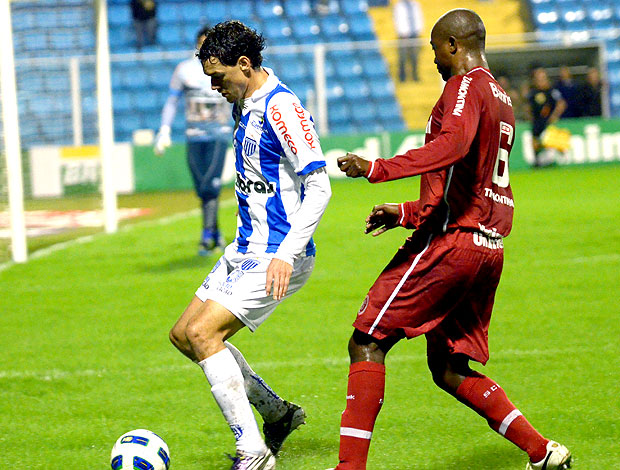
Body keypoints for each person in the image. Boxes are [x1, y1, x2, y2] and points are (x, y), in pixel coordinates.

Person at [332, 9, 571, 470]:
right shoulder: (501, 97)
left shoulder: (464, 86)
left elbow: (453, 147)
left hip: (454, 245)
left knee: (367, 339)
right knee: (447, 369)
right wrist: (405, 212)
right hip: (488, 249)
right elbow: (464, 183)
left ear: (453, 45)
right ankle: (542, 451)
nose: (434, 60)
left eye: (435, 49)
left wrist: (378, 169)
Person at [168, 20, 331, 470]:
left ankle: (254, 453)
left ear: (244, 64)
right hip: (245, 248)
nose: (214, 87)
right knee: (184, 335)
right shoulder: (244, 102)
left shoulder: (283, 108)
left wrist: (285, 253)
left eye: (218, 77)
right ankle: (278, 415)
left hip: (279, 253)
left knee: (205, 334)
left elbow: (319, 187)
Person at [154, 26, 231, 256]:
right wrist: (164, 129)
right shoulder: (184, 70)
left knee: (210, 185)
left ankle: (207, 236)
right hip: (194, 136)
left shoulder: (226, 68)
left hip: (218, 134)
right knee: (202, 188)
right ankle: (215, 234)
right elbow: (172, 101)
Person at [526, 66, 567, 167]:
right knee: (535, 142)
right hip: (536, 122)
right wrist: (530, 117)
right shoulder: (533, 93)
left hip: (547, 123)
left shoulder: (551, 91)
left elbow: (561, 103)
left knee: (547, 142)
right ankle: (537, 162)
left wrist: (554, 115)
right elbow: (528, 107)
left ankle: (549, 162)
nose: (541, 81)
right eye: (538, 79)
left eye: (542, 78)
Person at [393, 0, 424, 82]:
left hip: (414, 34)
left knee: (414, 56)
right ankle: (402, 76)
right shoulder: (398, 5)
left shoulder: (415, 4)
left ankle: (415, 75)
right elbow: (397, 20)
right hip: (403, 35)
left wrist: (419, 31)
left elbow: (419, 18)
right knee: (402, 56)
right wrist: (402, 32)